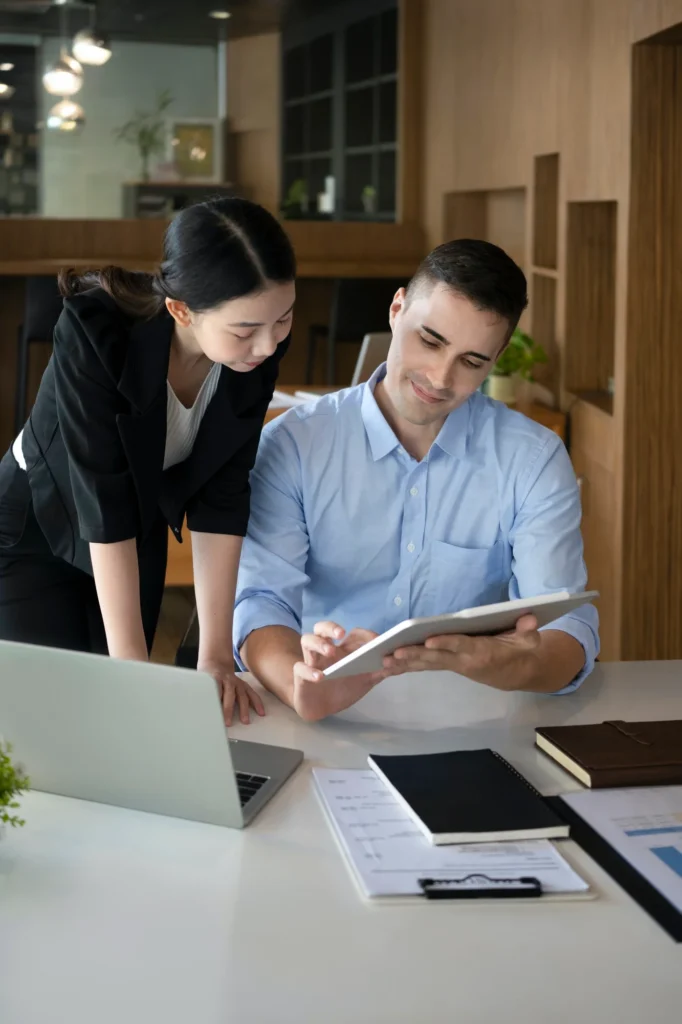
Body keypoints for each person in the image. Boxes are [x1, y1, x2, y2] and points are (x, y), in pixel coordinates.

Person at [233, 238, 599, 720]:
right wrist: (298, 684)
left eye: (473, 362)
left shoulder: (532, 459)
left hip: (476, 714)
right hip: (331, 711)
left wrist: (513, 665)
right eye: (430, 340)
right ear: (397, 309)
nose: (441, 378)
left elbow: (568, 625)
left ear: (498, 356)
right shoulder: (293, 445)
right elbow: (261, 603)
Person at [0, 197, 296, 726]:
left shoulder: (253, 351)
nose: (269, 345)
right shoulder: (95, 331)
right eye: (247, 328)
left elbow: (222, 498)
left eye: (283, 320)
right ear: (181, 308)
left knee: (111, 725)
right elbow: (101, 500)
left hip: (131, 531)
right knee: (49, 720)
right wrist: (131, 675)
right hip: (30, 530)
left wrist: (215, 657)